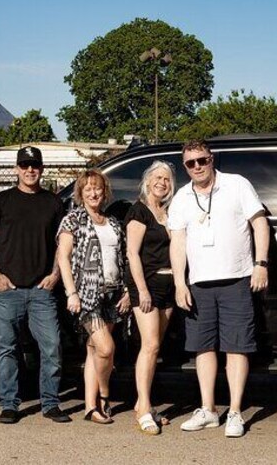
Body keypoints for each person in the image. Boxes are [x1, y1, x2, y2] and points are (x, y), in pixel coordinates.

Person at [168, 140, 269, 438]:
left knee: (237, 346)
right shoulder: (182, 198)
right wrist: (179, 282)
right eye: (190, 163)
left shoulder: (237, 185)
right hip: (199, 283)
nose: (197, 166)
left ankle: (235, 412)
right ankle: (208, 409)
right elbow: (178, 242)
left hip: (237, 278)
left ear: (211, 159)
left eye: (202, 160)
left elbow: (259, 223)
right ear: (185, 166)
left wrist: (261, 263)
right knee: (203, 347)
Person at [0, 146, 71, 424]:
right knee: (7, 348)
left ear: (41, 169)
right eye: (24, 166)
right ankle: (9, 403)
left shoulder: (54, 203)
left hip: (42, 291)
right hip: (8, 291)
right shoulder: (1, 201)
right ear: (16, 169)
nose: (29, 170)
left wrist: (55, 275)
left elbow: (62, 244)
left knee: (52, 347)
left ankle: (51, 402)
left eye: (34, 166)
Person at [57, 169, 130, 424]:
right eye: (87, 188)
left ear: (105, 191)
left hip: (112, 293)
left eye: (97, 188)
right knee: (106, 348)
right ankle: (105, 394)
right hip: (87, 295)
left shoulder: (112, 222)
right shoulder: (72, 220)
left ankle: (91, 407)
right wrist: (71, 292)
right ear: (80, 193)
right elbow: (63, 258)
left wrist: (127, 290)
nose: (93, 192)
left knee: (94, 351)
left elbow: (123, 258)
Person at [124, 160, 176, 435]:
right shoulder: (139, 212)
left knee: (156, 348)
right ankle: (144, 408)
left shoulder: (168, 212)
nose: (162, 182)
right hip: (148, 286)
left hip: (169, 286)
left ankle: (142, 402)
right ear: (147, 180)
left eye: (166, 179)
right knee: (151, 345)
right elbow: (132, 253)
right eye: (157, 177)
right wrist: (141, 290)